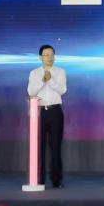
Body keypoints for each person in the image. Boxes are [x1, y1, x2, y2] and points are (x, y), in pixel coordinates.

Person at [27, 44, 67, 188]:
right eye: (46, 55)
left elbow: (62, 90)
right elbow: (31, 92)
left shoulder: (60, 71)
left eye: (52, 55)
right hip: (39, 113)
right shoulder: (34, 73)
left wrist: (51, 80)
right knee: (39, 147)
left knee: (55, 147)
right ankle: (39, 179)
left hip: (55, 111)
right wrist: (42, 81)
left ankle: (57, 180)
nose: (50, 58)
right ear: (40, 57)